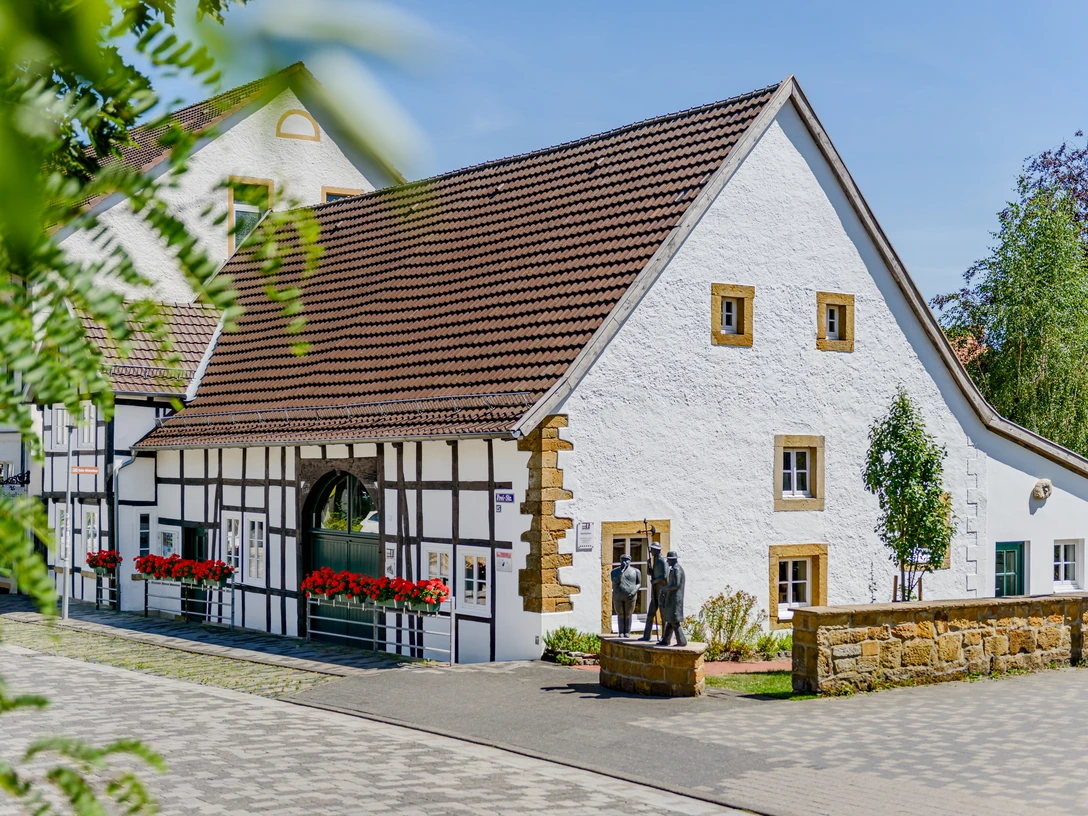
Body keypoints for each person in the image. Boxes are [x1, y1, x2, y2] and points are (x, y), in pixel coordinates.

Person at [657, 551, 687, 647]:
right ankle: (666, 640)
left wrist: (664, 589)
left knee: (674, 621)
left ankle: (682, 641)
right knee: (670, 620)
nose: (667, 561)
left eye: (668, 560)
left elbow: (676, 584)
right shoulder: (673, 569)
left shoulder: (677, 569)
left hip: (675, 599)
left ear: (672, 560)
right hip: (672, 598)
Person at [639, 541, 666, 641]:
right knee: (650, 614)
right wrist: (648, 565)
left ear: (657, 550)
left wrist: (655, 581)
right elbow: (651, 573)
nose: (650, 551)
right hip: (654, 593)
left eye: (652, 549)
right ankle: (646, 635)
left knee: (664, 616)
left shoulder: (662, 561)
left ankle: (664, 636)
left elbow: (665, 577)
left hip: (661, 593)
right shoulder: (655, 560)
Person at [610, 553, 641, 637]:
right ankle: (621, 632)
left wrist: (633, 592)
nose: (624, 562)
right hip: (618, 596)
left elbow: (638, 584)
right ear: (620, 561)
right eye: (623, 560)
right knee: (620, 614)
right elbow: (615, 581)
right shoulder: (614, 571)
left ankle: (627, 632)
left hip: (630, 597)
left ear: (630, 561)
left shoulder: (636, 571)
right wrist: (621, 572)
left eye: (626, 560)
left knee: (628, 614)